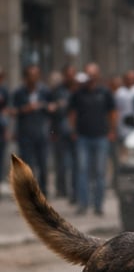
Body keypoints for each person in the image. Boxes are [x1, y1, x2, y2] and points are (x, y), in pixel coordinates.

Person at [68, 62, 116, 215]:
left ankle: (98, 205)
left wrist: (112, 130)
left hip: (101, 136)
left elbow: (112, 113)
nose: (91, 77)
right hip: (83, 137)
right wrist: (73, 130)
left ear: (98, 75)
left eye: (93, 74)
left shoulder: (105, 92)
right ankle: (83, 203)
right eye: (88, 74)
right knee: (82, 171)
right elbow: (72, 113)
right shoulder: (78, 93)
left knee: (100, 172)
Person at [11, 63, 56, 197]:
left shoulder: (45, 91)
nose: (34, 78)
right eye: (31, 76)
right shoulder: (19, 93)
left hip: (41, 133)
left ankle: (43, 193)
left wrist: (48, 107)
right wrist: (26, 109)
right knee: (27, 166)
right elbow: (12, 110)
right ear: (26, 77)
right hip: (25, 134)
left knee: (42, 164)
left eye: (36, 75)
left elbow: (53, 107)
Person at [49, 64, 78, 201]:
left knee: (76, 163)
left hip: (77, 132)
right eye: (68, 74)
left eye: (72, 74)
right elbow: (52, 113)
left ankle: (75, 190)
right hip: (61, 130)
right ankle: (62, 189)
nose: (70, 77)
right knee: (62, 162)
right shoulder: (57, 91)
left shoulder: (79, 90)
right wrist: (52, 131)